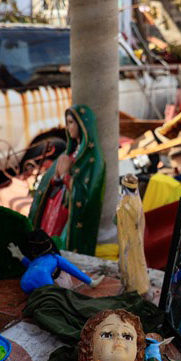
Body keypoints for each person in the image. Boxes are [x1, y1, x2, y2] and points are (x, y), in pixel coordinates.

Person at [28, 105, 106, 254]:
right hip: (55, 208)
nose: (68, 127)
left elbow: (88, 196)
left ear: (83, 125)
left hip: (67, 216)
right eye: (67, 122)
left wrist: (65, 176)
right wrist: (56, 177)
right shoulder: (68, 153)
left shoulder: (94, 161)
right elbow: (53, 183)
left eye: (71, 122)